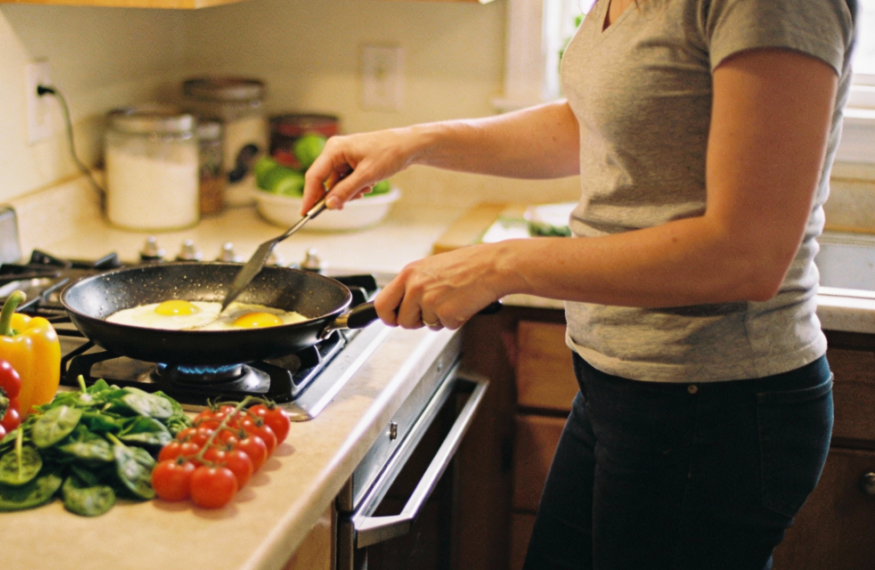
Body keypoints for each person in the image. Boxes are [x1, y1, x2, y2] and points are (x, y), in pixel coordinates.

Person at [300, 0, 854, 567]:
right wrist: (416, 141)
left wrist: (500, 266)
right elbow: (596, 121)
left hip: (713, 412)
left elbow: (747, 254)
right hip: (621, 389)